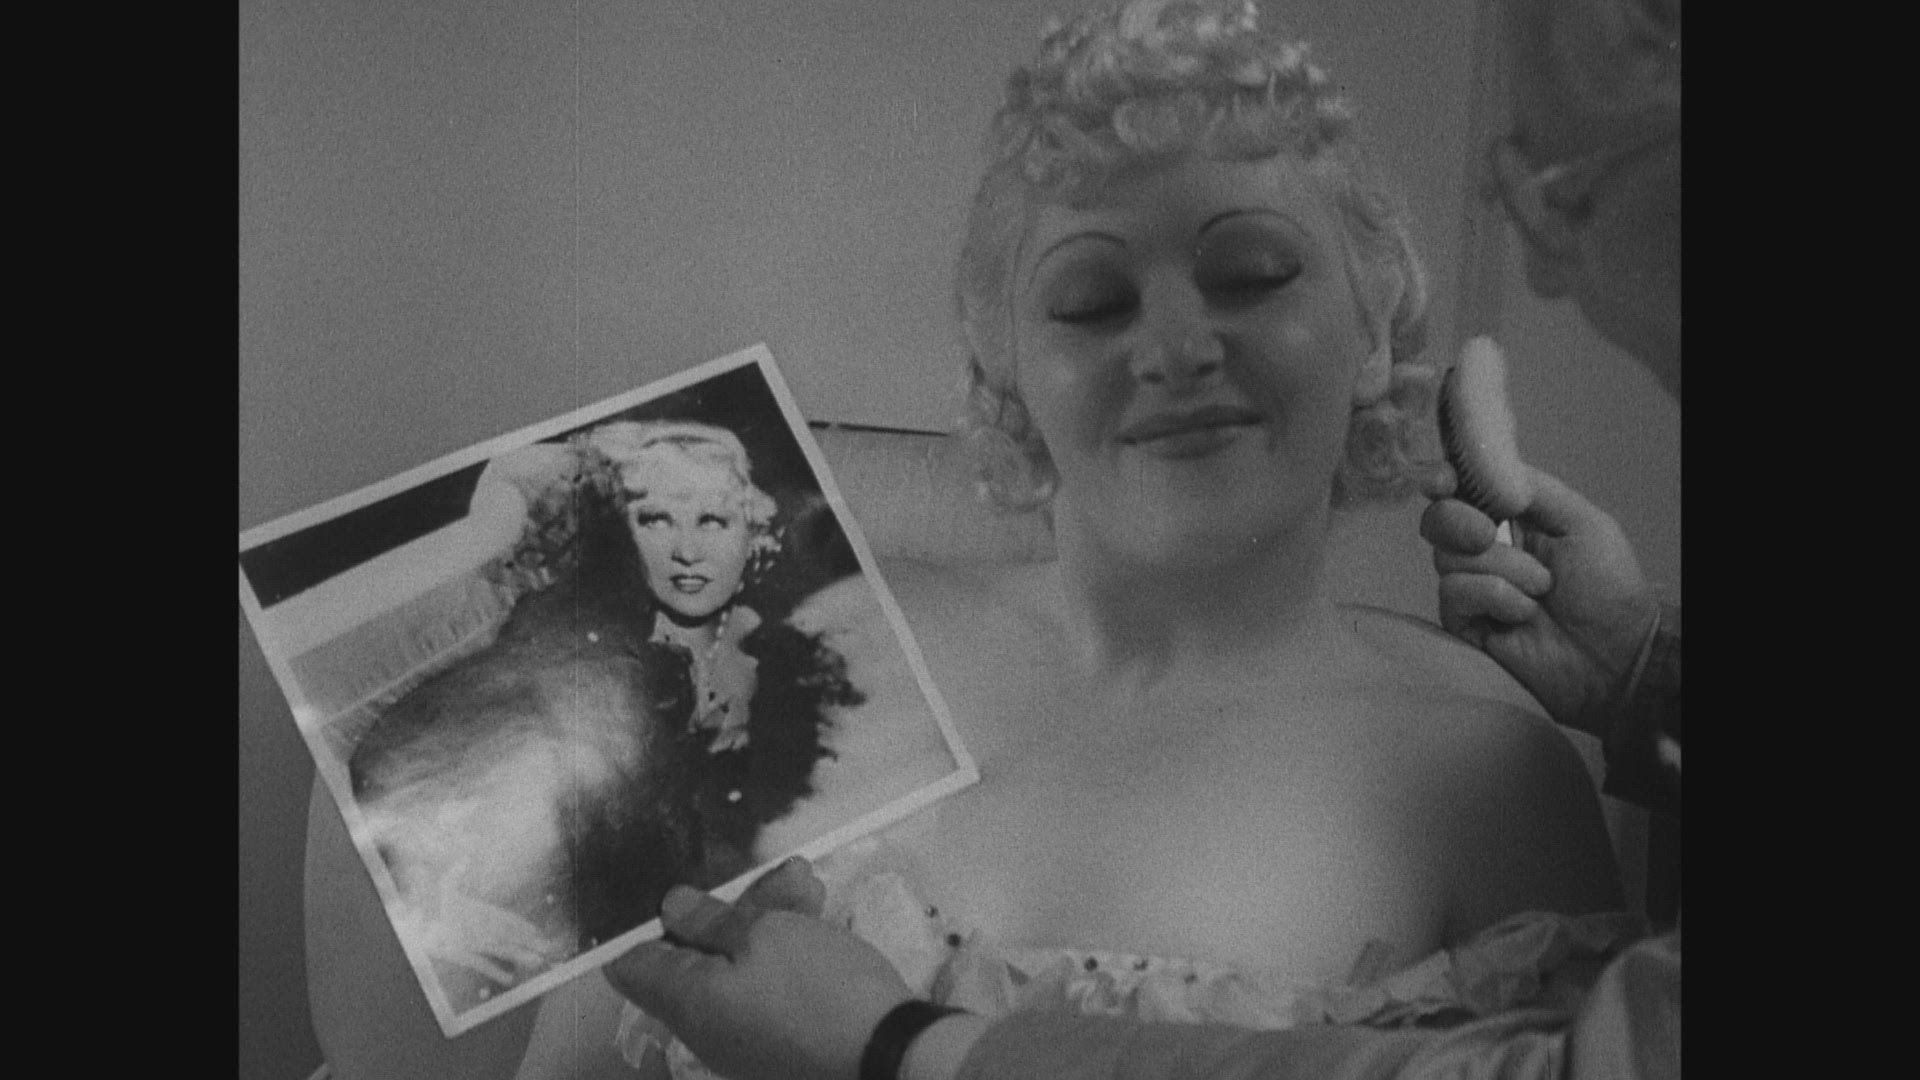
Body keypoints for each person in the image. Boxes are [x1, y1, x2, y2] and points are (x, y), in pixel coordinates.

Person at [604, 0, 1682, 1077]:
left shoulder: (1487, 770)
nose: (1172, 348)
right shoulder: (780, 640)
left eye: (1252, 276)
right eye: (1089, 302)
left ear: (1371, 326)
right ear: (1006, 366)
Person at [310, 418, 859, 1077]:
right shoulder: (561, 635)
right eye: (659, 520)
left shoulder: (787, 653)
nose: (686, 549)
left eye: (711, 521)